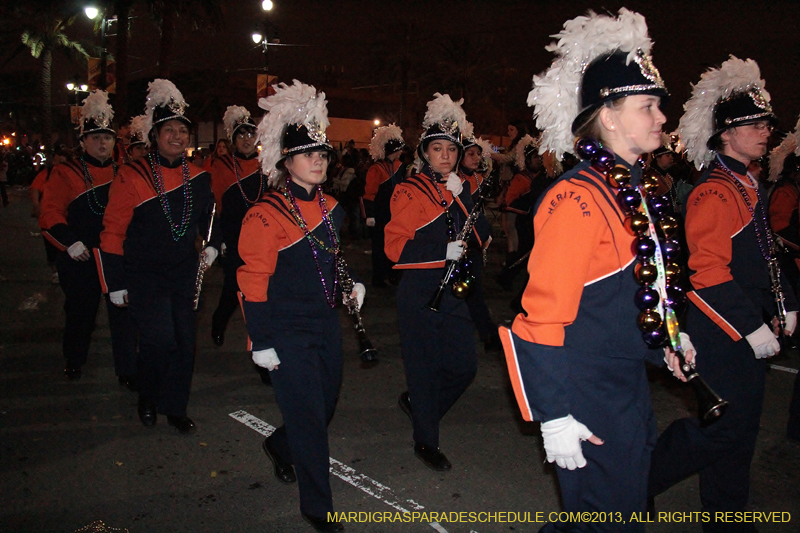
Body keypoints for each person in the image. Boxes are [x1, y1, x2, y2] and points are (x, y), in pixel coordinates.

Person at [499, 9, 673, 528]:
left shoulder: (634, 189)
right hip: (587, 396)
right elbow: (541, 319)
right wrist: (552, 414)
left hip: (624, 386)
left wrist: (665, 346)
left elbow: (626, 299)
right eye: (648, 106)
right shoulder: (577, 197)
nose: (662, 117)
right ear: (610, 115)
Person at [648, 56, 798, 531]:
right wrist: (752, 327)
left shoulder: (747, 185)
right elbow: (707, 272)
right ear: (726, 135)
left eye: (765, 124)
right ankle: (640, 480)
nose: (764, 132)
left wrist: (786, 304)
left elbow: (766, 256)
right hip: (722, 332)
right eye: (752, 124)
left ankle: (727, 517)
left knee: (741, 433)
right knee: (722, 431)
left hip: (745, 324)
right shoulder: (714, 192)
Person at [238, 80, 362, 533]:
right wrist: (261, 339)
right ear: (286, 161)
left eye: (323, 154)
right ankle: (318, 507)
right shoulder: (265, 213)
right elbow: (252, 280)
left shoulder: (333, 208)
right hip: (286, 330)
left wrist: (349, 286)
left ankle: (280, 445)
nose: (318, 160)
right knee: (312, 420)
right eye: (308, 154)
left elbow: (329, 261)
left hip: (326, 324)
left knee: (324, 405)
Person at [97, 79, 219, 434]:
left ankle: (175, 406)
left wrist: (212, 245)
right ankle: (148, 397)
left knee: (184, 342)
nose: (178, 136)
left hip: (183, 272)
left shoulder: (199, 177)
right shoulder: (131, 174)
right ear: (155, 135)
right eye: (170, 130)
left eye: (183, 130)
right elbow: (112, 231)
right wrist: (115, 283)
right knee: (158, 340)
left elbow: (212, 218)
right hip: (143, 274)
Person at [385, 93, 490, 471]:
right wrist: (439, 248)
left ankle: (420, 408)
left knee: (464, 367)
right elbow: (394, 247)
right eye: (437, 149)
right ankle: (426, 439)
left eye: (451, 149)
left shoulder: (463, 188)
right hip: (419, 290)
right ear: (425, 153)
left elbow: (481, 236)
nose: (445, 155)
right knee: (424, 370)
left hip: (454, 290)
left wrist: (463, 199)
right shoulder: (408, 190)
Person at [40, 91, 137, 384]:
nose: (102, 143)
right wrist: (70, 242)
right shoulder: (64, 173)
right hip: (81, 258)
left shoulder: (125, 173)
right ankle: (74, 358)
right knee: (80, 313)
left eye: (107, 137)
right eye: (95, 137)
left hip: (115, 257)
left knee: (123, 316)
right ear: (82, 141)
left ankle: (127, 370)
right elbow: (49, 214)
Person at [209, 105, 265, 349]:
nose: (246, 139)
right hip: (233, 239)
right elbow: (214, 206)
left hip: (262, 240)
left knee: (261, 295)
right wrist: (217, 239)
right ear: (233, 139)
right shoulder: (221, 166)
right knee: (233, 289)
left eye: (251, 134)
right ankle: (219, 321)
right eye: (241, 134)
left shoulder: (266, 165)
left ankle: (261, 348)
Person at [458, 131, 500, 351]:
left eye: (478, 154)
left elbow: (479, 211)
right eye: (470, 154)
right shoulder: (454, 179)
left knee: (474, 291)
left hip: (474, 244)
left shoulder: (479, 178)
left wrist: (484, 233)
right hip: (458, 245)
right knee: (465, 293)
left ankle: (487, 334)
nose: (476, 158)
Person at [363, 124, 405, 288]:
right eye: (399, 149)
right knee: (379, 248)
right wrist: (370, 215)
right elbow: (369, 194)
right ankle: (379, 278)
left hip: (394, 214)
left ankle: (392, 275)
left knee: (395, 245)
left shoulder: (398, 166)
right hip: (381, 215)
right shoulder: (376, 169)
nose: (401, 152)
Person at [30, 147, 71, 284]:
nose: (57, 163)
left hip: (66, 216)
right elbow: (35, 189)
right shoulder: (46, 174)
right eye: (56, 160)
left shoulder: (71, 175)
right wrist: (36, 205)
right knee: (51, 245)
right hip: (48, 218)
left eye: (61, 161)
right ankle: (55, 270)